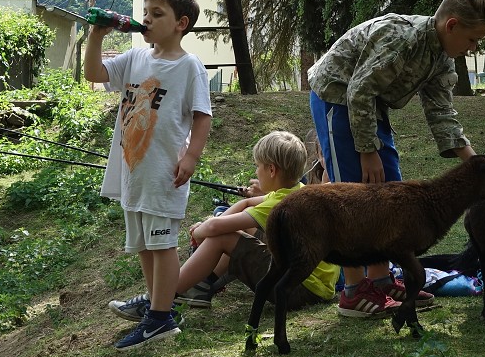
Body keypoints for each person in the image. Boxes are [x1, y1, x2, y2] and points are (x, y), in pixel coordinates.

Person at [308, 0, 485, 317]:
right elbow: (358, 89)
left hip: (369, 106)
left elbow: (442, 113)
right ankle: (353, 292)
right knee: (353, 196)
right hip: (337, 97)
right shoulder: (402, 38)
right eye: (472, 40)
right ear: (451, 25)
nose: (473, 50)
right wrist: (367, 151)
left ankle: (381, 282)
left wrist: (477, 167)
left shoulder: (440, 56)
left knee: (389, 191)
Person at [84, 0, 213, 351]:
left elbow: (203, 117)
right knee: (143, 243)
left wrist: (190, 157)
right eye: (145, 13)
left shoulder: (189, 68)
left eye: (157, 14)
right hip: (133, 170)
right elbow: (95, 74)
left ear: (180, 23)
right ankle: (156, 303)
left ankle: (160, 318)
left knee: (162, 244)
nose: (146, 20)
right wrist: (96, 36)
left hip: (163, 172)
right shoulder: (135, 59)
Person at [108, 130, 340, 320]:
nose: (255, 172)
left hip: (300, 290)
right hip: (313, 286)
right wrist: (215, 220)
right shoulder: (296, 192)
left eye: (258, 166)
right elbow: (248, 202)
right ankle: (200, 287)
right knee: (238, 228)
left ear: (271, 169)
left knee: (224, 236)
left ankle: (162, 297)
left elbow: (214, 231)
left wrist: (201, 229)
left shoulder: (280, 203)